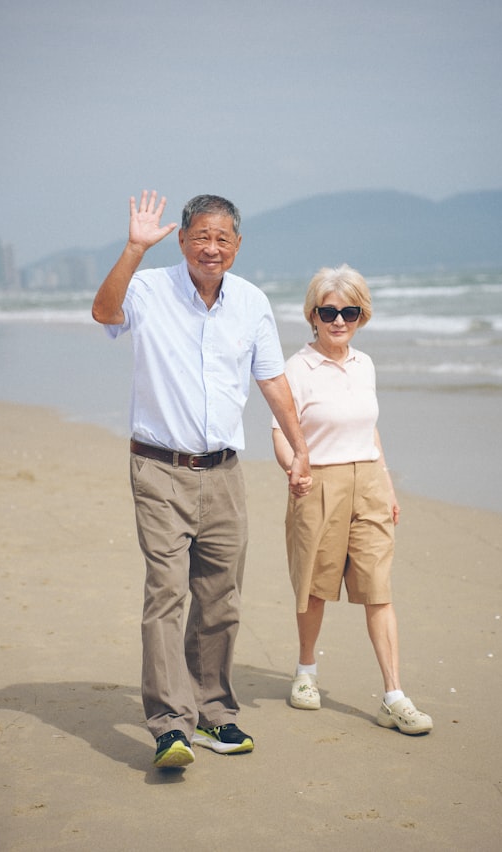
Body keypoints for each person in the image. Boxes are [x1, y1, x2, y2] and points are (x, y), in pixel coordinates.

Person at [92, 190, 311, 768]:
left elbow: (273, 381)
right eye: (200, 237)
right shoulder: (148, 286)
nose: (210, 248)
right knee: (166, 593)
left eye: (222, 239)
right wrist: (134, 249)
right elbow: (104, 312)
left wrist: (301, 447)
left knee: (220, 600)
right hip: (160, 468)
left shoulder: (251, 302)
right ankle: (169, 725)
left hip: (224, 474)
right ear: (183, 240)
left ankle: (214, 713)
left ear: (236, 247)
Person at [272, 264, 433, 735]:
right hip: (318, 481)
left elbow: (370, 430)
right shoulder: (295, 368)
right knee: (315, 587)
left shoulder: (366, 365)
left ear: (362, 315)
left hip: (369, 485)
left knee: (378, 590)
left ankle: (394, 696)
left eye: (349, 311)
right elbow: (282, 433)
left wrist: (386, 484)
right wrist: (293, 468)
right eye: (328, 311)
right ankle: (305, 673)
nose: (338, 320)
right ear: (313, 315)